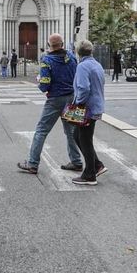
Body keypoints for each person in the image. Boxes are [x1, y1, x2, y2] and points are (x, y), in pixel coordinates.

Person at [17, 33, 84, 174]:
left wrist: (40, 84)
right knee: (71, 132)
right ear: (62, 44)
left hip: (55, 99)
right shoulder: (71, 57)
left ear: (49, 45)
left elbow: (45, 83)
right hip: (71, 98)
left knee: (41, 131)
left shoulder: (47, 59)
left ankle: (32, 163)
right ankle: (77, 161)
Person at [69, 40, 106, 186]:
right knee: (78, 136)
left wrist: (78, 103)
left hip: (87, 108)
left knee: (85, 140)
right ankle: (97, 165)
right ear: (91, 51)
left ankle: (90, 174)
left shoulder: (83, 66)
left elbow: (84, 88)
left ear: (78, 52)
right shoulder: (97, 64)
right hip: (96, 106)